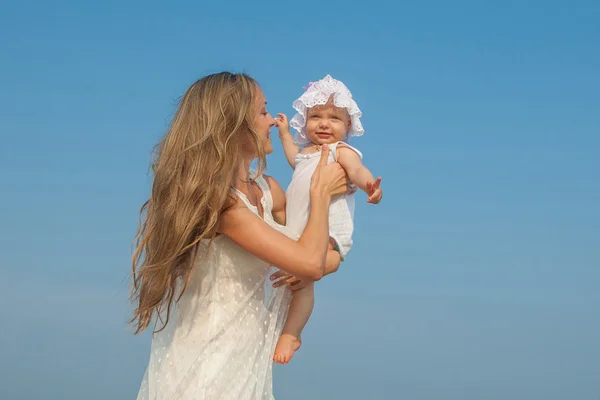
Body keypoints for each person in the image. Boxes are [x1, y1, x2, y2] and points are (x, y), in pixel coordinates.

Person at [130, 72, 351, 399]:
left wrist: (327, 259)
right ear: (232, 127)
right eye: (262, 112)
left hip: (247, 361)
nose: (272, 122)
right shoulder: (223, 205)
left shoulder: (269, 191)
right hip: (207, 366)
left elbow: (313, 254)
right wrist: (320, 193)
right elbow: (309, 262)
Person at [272, 74, 382, 364]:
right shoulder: (307, 153)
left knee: (305, 282)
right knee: (293, 280)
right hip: (300, 229)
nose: (323, 123)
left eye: (334, 118)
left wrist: (370, 186)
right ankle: (284, 327)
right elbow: (293, 158)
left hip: (329, 230)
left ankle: (292, 333)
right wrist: (284, 134)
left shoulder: (340, 150)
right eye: (316, 116)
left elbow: (357, 170)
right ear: (304, 121)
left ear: (347, 126)